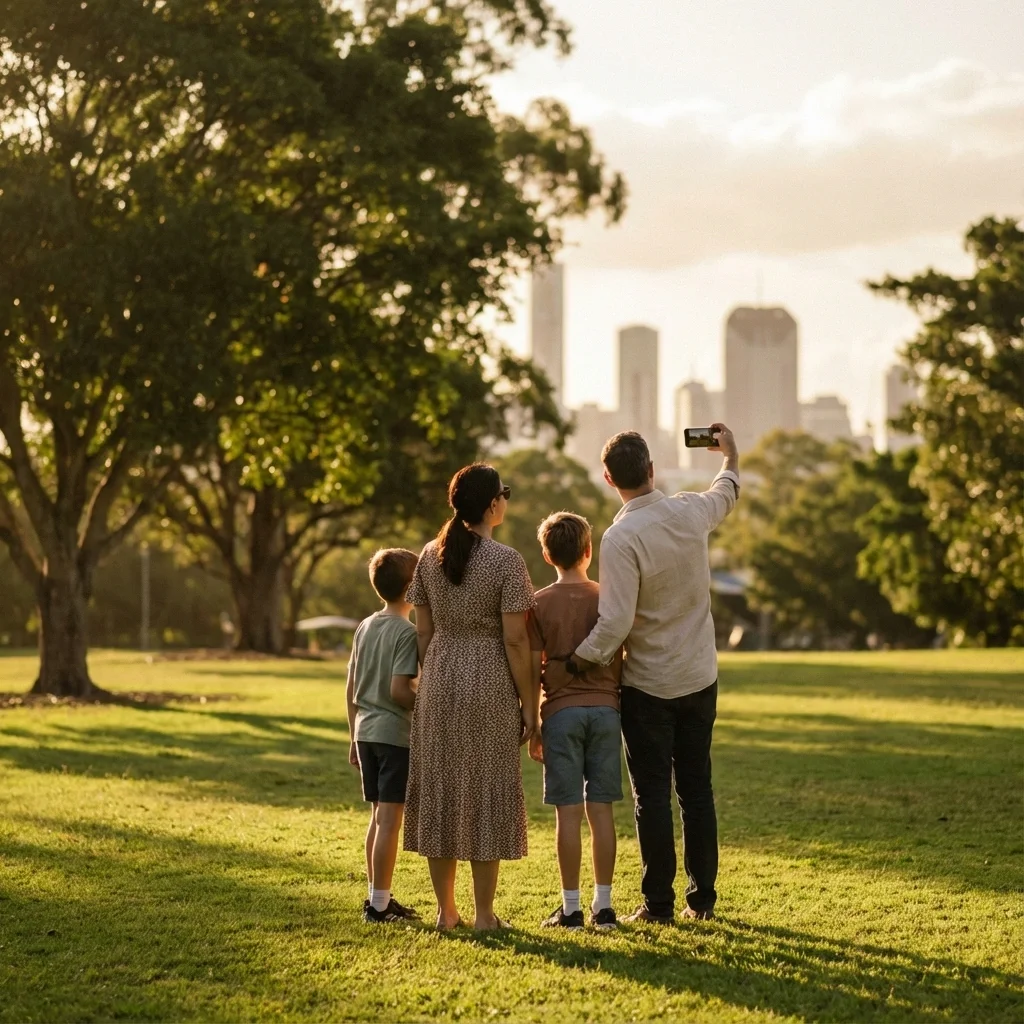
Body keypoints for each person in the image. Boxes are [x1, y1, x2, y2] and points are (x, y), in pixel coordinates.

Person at [568, 424, 740, 923]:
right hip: (699, 676)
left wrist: (578, 659)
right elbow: (726, 489)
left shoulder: (620, 537)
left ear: (607, 478)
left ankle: (659, 905)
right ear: (651, 470)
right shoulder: (690, 510)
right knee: (697, 791)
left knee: (652, 798)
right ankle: (702, 901)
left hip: (647, 686)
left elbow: (616, 621)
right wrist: (728, 453)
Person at [403, 463, 536, 931]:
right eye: (505, 492)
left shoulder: (427, 556)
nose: (507, 499)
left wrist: (436, 670)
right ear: (492, 504)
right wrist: (530, 707)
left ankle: (446, 912)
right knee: (485, 791)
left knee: (442, 788)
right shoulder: (507, 562)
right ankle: (484, 915)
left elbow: (423, 630)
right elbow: (517, 642)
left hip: (440, 676)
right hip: (489, 679)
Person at [527, 511, 623, 931]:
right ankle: (604, 907)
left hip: (560, 714)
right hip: (606, 711)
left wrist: (533, 723)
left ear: (548, 556)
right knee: (600, 811)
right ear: (588, 551)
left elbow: (533, 670)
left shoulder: (538, 604)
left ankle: (570, 908)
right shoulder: (609, 598)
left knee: (567, 814)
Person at [345, 547, 422, 924]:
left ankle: (379, 897)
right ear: (412, 588)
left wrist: (351, 735)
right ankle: (378, 906)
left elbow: (350, 686)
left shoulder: (366, 625)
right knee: (390, 820)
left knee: (377, 817)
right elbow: (399, 691)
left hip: (365, 732)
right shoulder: (406, 633)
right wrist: (426, 703)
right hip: (394, 735)